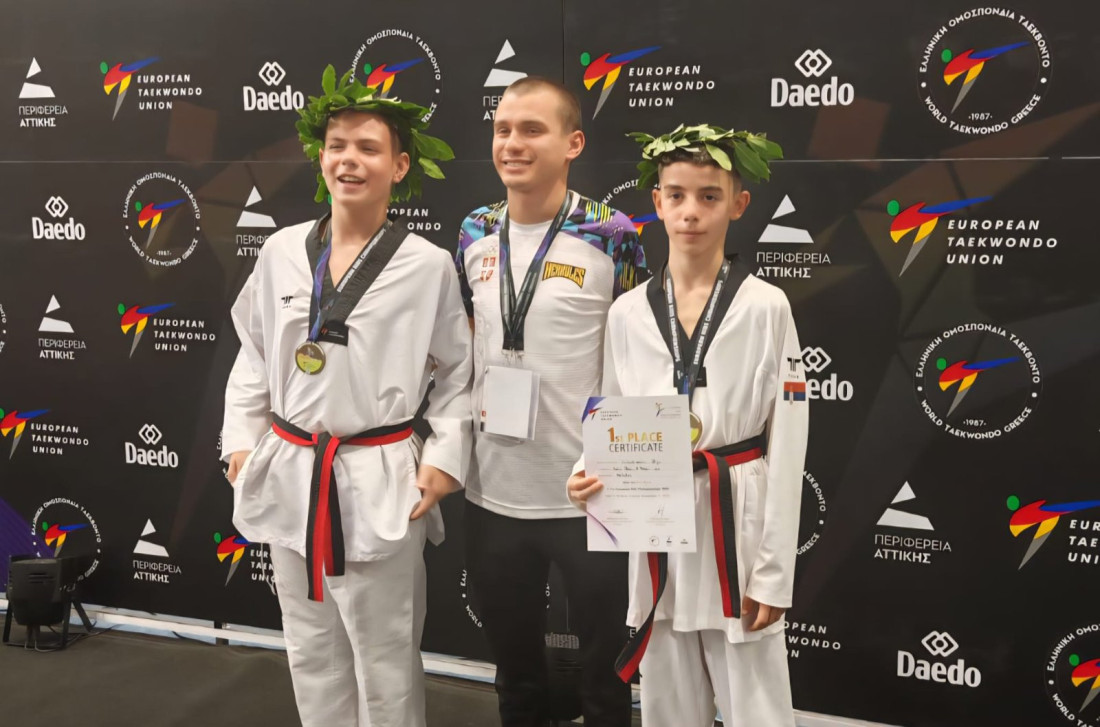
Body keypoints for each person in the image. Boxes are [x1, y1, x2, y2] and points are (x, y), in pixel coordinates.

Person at [221, 65, 471, 727]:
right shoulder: (280, 250)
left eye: (367, 148)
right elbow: (253, 352)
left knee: (386, 656)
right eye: (336, 145)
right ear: (320, 157)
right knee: (310, 647)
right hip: (292, 468)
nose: (348, 160)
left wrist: (442, 458)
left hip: (380, 473)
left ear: (400, 165)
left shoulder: (427, 265)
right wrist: (241, 440)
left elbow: (458, 370)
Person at [567, 123, 807, 727]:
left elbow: (790, 442)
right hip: (654, 514)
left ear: (738, 204)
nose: (691, 211)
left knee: (758, 707)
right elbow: (613, 410)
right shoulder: (627, 313)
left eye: (709, 196)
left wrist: (774, 573)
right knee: (668, 702)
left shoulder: (766, 306)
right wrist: (585, 470)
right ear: (657, 201)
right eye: (676, 195)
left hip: (736, 522)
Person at [455, 76, 647, 726]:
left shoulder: (611, 233)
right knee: (515, 676)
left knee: (606, 678)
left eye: (532, 130)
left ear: (573, 143)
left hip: (589, 492)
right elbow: (470, 341)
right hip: (493, 491)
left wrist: (620, 467)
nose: (512, 143)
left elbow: (637, 353)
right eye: (503, 129)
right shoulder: (475, 230)